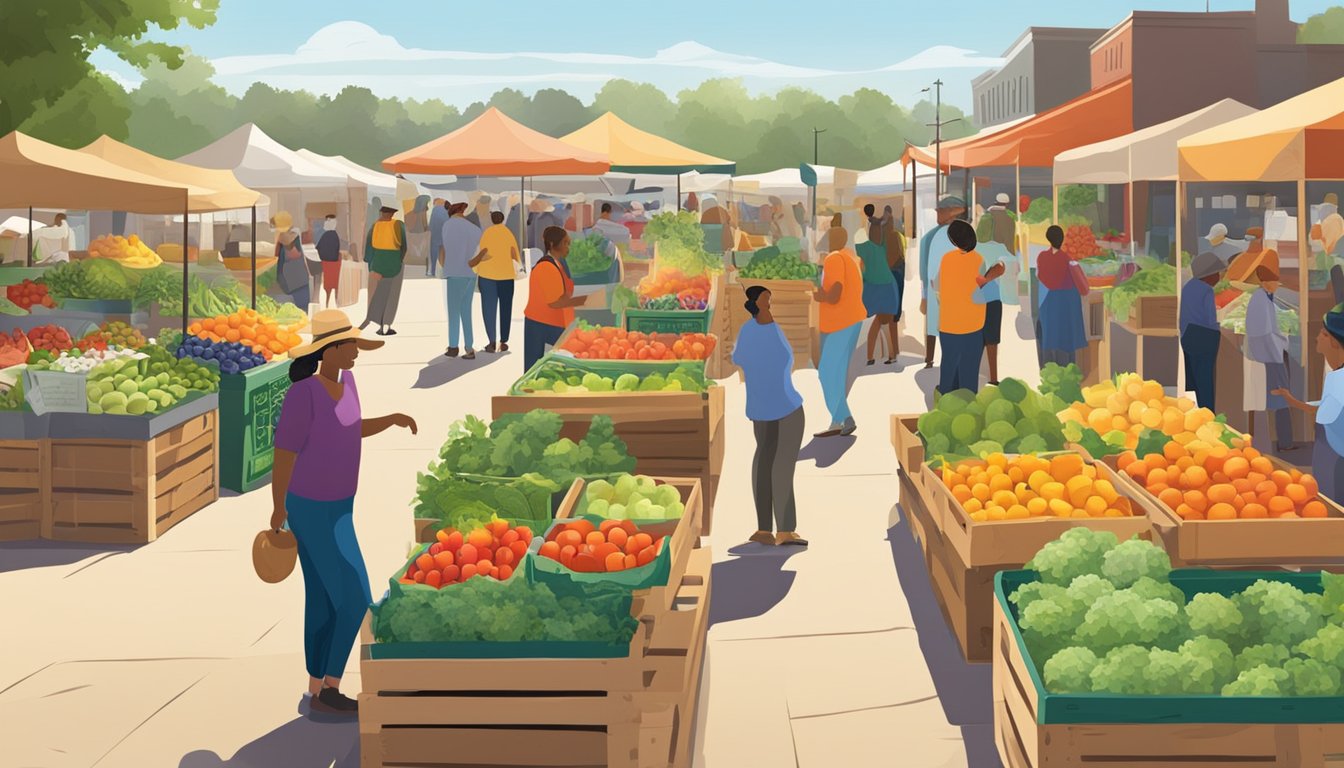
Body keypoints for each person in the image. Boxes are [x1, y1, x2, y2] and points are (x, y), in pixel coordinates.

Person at [270, 308, 417, 717]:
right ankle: (332, 685)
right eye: (349, 344)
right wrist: (277, 507)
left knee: (321, 598)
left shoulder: (348, 382)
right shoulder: (304, 394)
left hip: (341, 507)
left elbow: (349, 428)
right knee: (355, 599)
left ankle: (316, 688)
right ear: (328, 350)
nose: (356, 350)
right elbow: (284, 455)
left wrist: (389, 420)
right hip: (310, 509)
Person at [732, 286, 808, 547]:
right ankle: (784, 529)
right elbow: (786, 359)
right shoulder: (772, 330)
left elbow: (738, 358)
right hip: (786, 407)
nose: (770, 305)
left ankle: (764, 528)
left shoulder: (746, 331)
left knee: (763, 463)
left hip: (760, 410)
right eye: (768, 301)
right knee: (782, 467)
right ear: (760, 304)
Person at [1275, 305, 1344, 500]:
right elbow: (1324, 407)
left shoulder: (1339, 379)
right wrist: (1293, 400)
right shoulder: (1336, 376)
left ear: (1335, 342)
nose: (1317, 338)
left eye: (1323, 334)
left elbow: (1325, 414)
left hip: (1335, 460)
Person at [812, 229, 866, 437]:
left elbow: (834, 295)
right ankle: (836, 422)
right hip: (852, 320)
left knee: (826, 373)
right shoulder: (850, 257)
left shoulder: (834, 258)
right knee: (837, 373)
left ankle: (845, 417)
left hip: (838, 323)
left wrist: (817, 294)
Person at [936, 220, 992, 395]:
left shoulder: (946, 259)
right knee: (969, 367)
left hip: (949, 323)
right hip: (973, 324)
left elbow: (936, 285)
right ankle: (967, 402)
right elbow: (983, 291)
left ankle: (945, 399)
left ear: (953, 241)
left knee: (949, 365)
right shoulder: (979, 260)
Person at [1245, 264, 1296, 452]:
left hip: (1271, 354)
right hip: (1271, 355)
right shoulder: (1260, 300)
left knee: (1277, 398)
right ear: (1266, 282)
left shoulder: (1264, 298)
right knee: (1281, 397)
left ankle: (1283, 441)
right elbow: (1264, 333)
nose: (1277, 285)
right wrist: (1280, 344)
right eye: (1276, 282)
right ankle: (1285, 442)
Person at [524, 226, 588, 370]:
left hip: (554, 323)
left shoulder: (558, 264)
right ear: (553, 244)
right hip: (542, 325)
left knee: (551, 369)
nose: (568, 247)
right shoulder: (546, 267)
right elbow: (555, 302)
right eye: (565, 243)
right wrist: (585, 300)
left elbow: (566, 291)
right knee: (536, 370)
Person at [919, 196, 967, 369]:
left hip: (947, 290)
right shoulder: (930, 237)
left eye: (941, 211)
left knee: (940, 324)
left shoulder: (934, 237)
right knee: (936, 324)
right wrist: (924, 295)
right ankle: (930, 358)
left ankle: (934, 358)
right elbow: (923, 272)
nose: (937, 214)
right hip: (937, 289)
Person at [1036, 225, 1090, 368]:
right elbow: (1084, 289)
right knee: (1067, 339)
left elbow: (1040, 276)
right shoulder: (1069, 261)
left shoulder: (1042, 257)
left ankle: (1048, 370)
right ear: (1062, 240)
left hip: (1048, 302)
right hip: (1067, 304)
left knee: (1049, 336)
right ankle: (1068, 371)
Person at [1179, 251, 1227, 409]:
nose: (1219, 277)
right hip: (1204, 337)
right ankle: (1208, 413)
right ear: (1209, 275)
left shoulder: (1188, 287)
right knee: (1206, 379)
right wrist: (1220, 328)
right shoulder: (1207, 290)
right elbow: (1210, 319)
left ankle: (1193, 410)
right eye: (1217, 274)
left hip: (1187, 335)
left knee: (1192, 378)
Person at [440, 202, 484, 359]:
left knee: (453, 312)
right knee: (466, 311)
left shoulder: (447, 225)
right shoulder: (475, 229)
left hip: (454, 272)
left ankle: (453, 347)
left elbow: (444, 248)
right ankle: (469, 347)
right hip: (470, 273)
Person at [859, 206, 901, 366]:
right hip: (887, 287)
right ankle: (890, 354)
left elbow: (861, 266)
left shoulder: (864, 247)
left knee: (876, 322)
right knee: (884, 321)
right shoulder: (883, 246)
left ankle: (871, 356)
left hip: (872, 287)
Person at [476, 211, 521, 354]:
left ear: (491, 219)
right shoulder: (508, 233)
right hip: (506, 276)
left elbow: (482, 253)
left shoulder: (487, 233)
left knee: (489, 309)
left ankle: (491, 341)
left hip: (487, 275)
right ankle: (504, 341)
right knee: (506, 308)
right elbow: (514, 254)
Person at [361, 206, 406, 336]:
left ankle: (378, 324)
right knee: (392, 295)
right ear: (392, 214)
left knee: (379, 295)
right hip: (394, 264)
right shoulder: (398, 225)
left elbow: (369, 248)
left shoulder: (374, 226)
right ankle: (387, 325)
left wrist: (371, 266)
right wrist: (400, 259)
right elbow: (404, 246)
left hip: (378, 264)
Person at [273, 211, 310, 310]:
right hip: (294, 282)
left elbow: (294, 255)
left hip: (296, 282)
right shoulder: (287, 237)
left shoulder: (289, 237)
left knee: (301, 309)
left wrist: (287, 243)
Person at [316, 215, 342, 308]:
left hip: (327, 263)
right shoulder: (334, 235)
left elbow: (319, 248)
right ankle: (333, 302)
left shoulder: (327, 235)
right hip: (334, 264)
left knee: (327, 284)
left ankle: (327, 303)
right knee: (334, 283)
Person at [427, 198, 448, 278]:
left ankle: (432, 271)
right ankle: (444, 271)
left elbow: (431, 224)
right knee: (443, 251)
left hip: (434, 234)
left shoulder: (435, 209)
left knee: (434, 251)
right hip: (443, 233)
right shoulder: (445, 210)